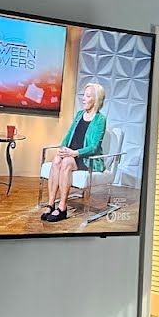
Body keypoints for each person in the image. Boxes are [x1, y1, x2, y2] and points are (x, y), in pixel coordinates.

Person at [42, 82, 107, 222]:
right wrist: (63, 148)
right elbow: (69, 134)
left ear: (96, 100)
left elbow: (94, 147)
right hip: (71, 153)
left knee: (66, 162)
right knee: (57, 160)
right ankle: (51, 203)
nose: (83, 98)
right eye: (84, 95)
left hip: (86, 158)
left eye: (88, 96)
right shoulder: (79, 114)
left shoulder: (100, 120)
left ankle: (62, 207)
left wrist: (74, 153)